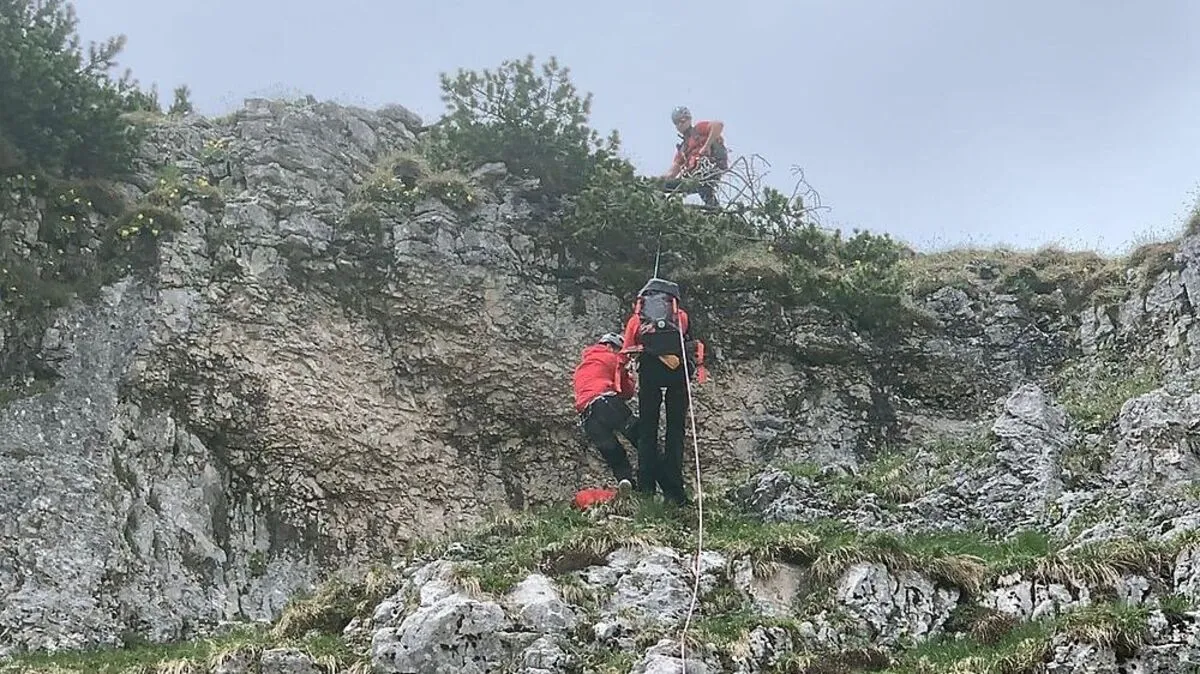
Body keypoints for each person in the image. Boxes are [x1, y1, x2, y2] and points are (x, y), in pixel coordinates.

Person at [620, 277, 708, 506]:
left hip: (649, 370)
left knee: (648, 430)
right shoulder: (681, 316)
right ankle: (675, 493)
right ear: (673, 299)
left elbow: (627, 349)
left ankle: (647, 489)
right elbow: (690, 344)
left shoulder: (636, 319)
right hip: (677, 371)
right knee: (675, 430)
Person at [572, 332, 639, 490]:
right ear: (609, 346)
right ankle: (659, 468)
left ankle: (626, 482)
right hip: (604, 401)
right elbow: (626, 392)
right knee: (639, 435)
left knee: (615, 455)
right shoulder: (611, 358)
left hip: (587, 417)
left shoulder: (584, 365)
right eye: (617, 349)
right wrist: (630, 373)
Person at [661, 106, 728, 208]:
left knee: (703, 187)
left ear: (688, 119)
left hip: (709, 169)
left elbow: (718, 125)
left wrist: (706, 146)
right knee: (664, 186)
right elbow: (672, 172)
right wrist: (655, 182)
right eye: (676, 123)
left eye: (682, 120)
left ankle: (715, 211)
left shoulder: (698, 129)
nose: (680, 124)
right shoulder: (683, 148)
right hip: (692, 179)